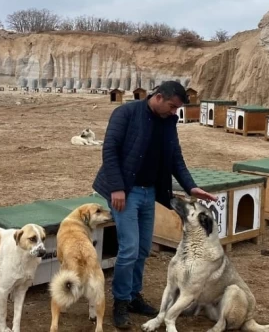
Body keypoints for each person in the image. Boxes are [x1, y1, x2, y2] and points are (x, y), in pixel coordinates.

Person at [91, 81, 218, 329]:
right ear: (158, 97)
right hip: (125, 192)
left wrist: (191, 186)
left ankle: (133, 296)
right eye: (172, 107)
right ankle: (120, 301)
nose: (174, 112)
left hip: (150, 192)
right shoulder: (126, 113)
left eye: (177, 109)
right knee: (129, 249)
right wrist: (117, 187)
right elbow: (110, 150)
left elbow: (175, 158)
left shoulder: (168, 122)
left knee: (143, 248)